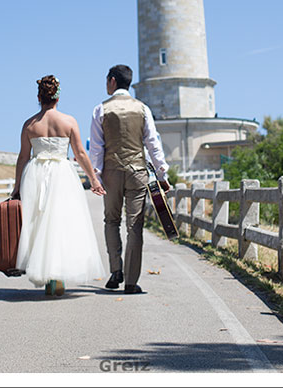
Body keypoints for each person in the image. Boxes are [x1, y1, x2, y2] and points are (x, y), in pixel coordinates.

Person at [12, 75, 107, 296]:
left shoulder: (29, 125)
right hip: (62, 174)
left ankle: (48, 277)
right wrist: (93, 179)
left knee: (39, 223)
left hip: (36, 175)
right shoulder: (69, 121)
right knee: (62, 223)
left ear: (39, 97)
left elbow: (23, 157)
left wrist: (17, 186)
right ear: (57, 98)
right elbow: (80, 153)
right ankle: (58, 276)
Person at [89, 65, 169, 295]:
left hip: (112, 173)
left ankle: (116, 270)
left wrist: (96, 176)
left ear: (112, 81)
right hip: (137, 173)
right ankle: (131, 281)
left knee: (111, 221)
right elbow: (153, 144)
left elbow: (96, 148)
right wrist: (162, 175)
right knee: (135, 226)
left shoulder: (100, 110)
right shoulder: (142, 109)